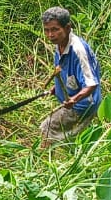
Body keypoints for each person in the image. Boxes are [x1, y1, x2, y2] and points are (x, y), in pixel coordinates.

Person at [40, 7, 102, 142]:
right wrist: (58, 88)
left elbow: (91, 84)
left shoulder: (78, 50)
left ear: (67, 28)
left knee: (47, 127)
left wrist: (74, 99)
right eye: (47, 30)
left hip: (83, 104)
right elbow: (69, 74)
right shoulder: (59, 44)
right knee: (71, 138)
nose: (50, 35)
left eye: (55, 29)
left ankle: (46, 158)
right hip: (71, 102)